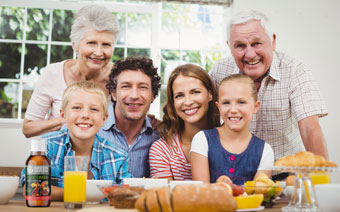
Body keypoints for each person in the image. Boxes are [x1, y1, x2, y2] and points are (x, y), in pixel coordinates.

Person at [209, 10, 328, 163]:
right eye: (240, 46)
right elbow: (208, 123)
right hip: (236, 171)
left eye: (256, 43)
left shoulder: (294, 69)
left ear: (273, 41)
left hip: (285, 172)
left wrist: (321, 179)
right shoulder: (219, 71)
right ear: (229, 46)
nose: (250, 54)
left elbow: (310, 128)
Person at [21, 81, 131, 201]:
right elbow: (31, 190)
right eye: (77, 108)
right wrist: (82, 192)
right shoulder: (47, 147)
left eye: (94, 109)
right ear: (63, 115)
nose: (85, 115)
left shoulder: (118, 156)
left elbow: (126, 195)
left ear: (104, 119)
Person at [22, 5, 120, 138]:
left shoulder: (119, 77)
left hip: (105, 156)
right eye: (91, 43)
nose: (98, 52)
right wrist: (68, 120)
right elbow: (28, 128)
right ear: (75, 44)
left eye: (106, 45)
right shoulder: (53, 73)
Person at [191, 74, 274, 185]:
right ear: (219, 107)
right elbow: (202, 191)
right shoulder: (202, 140)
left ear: (255, 107)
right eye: (226, 103)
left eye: (241, 102)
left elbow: (258, 193)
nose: (233, 110)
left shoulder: (265, 151)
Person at [149, 64, 220, 181]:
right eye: (179, 95)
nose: (188, 102)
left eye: (195, 92)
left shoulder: (228, 142)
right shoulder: (162, 150)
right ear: (173, 102)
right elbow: (166, 197)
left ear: (210, 94)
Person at [97, 56, 161, 178]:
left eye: (143, 87)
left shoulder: (160, 136)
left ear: (153, 95)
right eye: (126, 86)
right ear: (114, 94)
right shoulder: (93, 129)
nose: (134, 95)